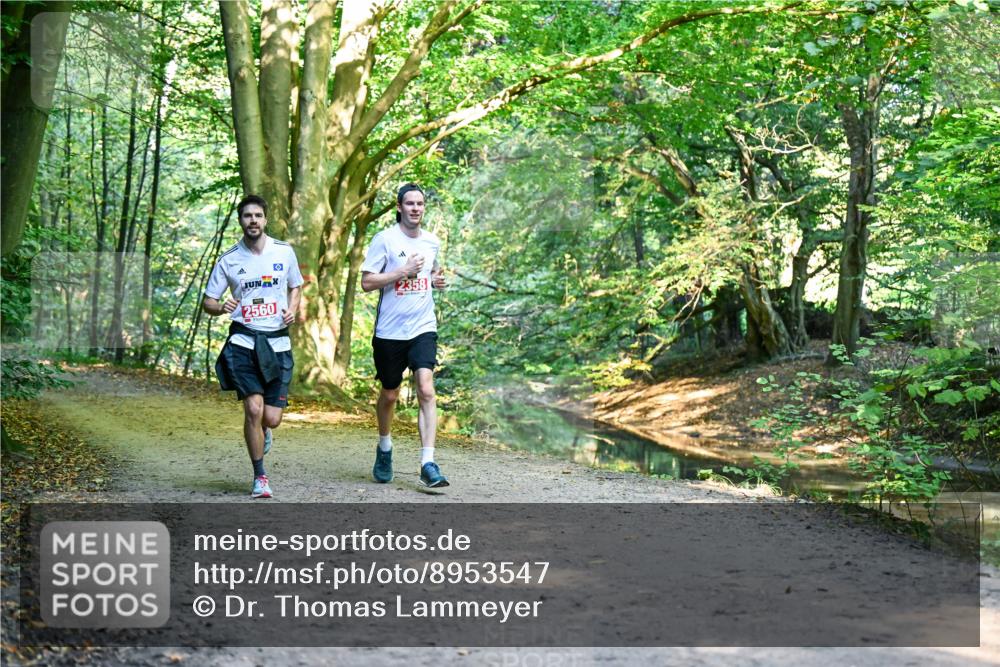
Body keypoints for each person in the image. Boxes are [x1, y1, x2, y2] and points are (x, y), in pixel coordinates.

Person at [203, 194, 303, 498]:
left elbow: (296, 285)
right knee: (253, 409)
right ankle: (260, 476)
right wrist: (221, 307)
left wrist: (293, 308)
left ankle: (264, 430)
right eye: (247, 216)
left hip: (277, 343)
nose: (253, 221)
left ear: (266, 219)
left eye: (258, 215)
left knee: (270, 417)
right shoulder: (229, 259)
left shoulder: (284, 252)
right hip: (243, 342)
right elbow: (208, 301)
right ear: (240, 221)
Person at [360, 182, 449, 488]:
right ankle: (384, 448)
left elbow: (434, 271)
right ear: (399, 207)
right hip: (390, 332)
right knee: (389, 394)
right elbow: (367, 283)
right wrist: (403, 271)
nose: (415, 208)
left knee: (426, 388)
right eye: (409, 203)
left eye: (420, 204)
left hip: (423, 326)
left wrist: (437, 279)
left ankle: (428, 462)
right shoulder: (384, 239)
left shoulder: (431, 241)